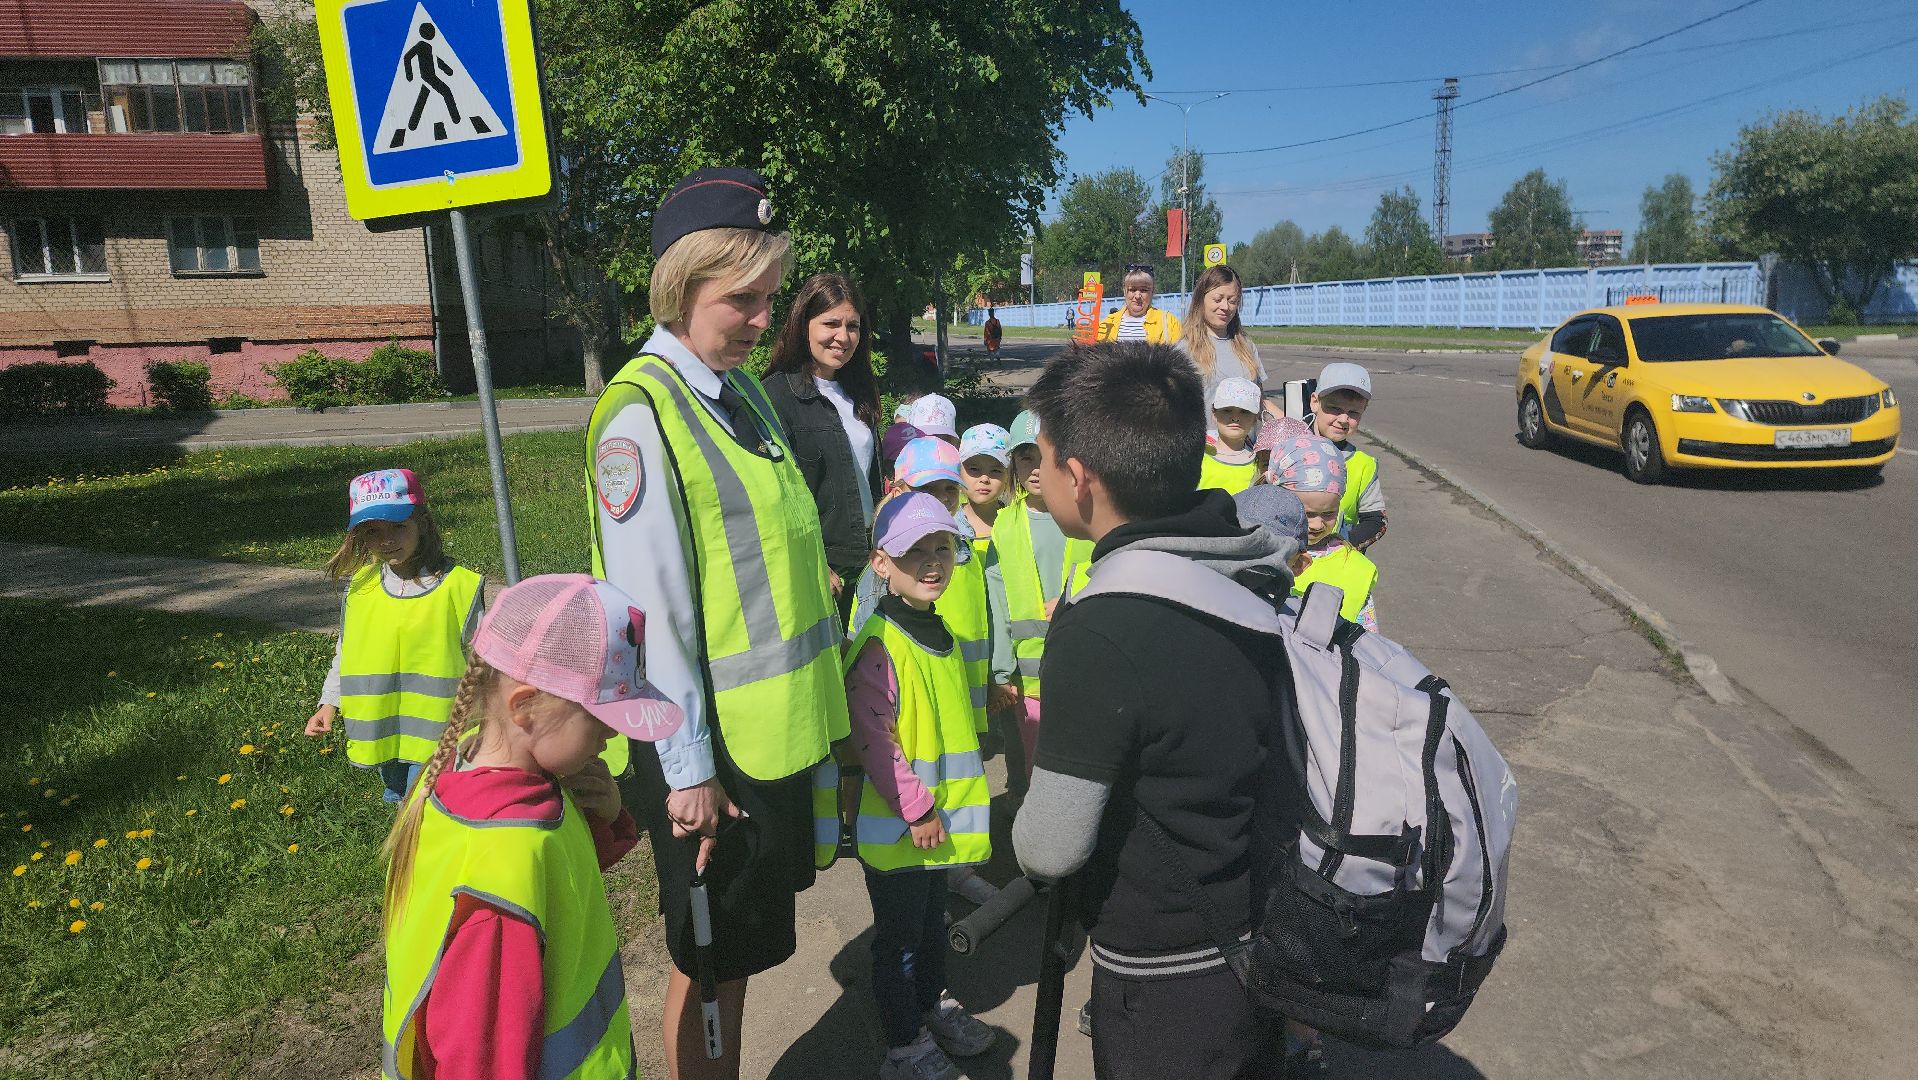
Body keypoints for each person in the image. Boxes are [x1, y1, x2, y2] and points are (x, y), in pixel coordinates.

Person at [585, 167, 849, 1080]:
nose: (759, 319)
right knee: (707, 958)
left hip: (762, 738)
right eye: (742, 298)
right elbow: (652, 609)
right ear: (681, 284)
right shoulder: (642, 412)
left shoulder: (741, 393)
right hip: (706, 753)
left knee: (736, 954)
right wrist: (686, 771)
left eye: (769, 298)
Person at [1010, 341, 1295, 1079]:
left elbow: (1049, 846)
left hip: (1166, 967)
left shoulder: (1102, 630)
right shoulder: (1246, 564)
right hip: (1261, 932)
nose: (1037, 478)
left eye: (1042, 461)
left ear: (1080, 478)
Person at [380, 574, 683, 1080]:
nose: (613, 733)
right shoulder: (501, 885)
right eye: (600, 716)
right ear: (525, 708)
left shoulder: (468, 764)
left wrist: (607, 818)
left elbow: (562, 884)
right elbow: (480, 1056)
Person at [845, 493, 999, 1079]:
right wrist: (916, 808)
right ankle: (903, 1047)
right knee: (901, 940)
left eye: (942, 548)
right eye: (915, 553)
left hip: (935, 830)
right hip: (904, 829)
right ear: (881, 564)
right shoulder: (882, 645)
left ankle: (932, 1006)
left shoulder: (941, 634)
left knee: (929, 925)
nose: (933, 563)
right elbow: (874, 738)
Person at [306, 468, 483, 804]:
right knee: (396, 796)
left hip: (439, 732)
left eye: (399, 526)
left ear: (423, 523)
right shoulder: (361, 587)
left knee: (425, 804)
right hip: (383, 728)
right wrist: (329, 702)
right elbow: (348, 651)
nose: (387, 540)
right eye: (374, 531)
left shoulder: (459, 587)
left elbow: (485, 659)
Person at [763, 272, 885, 626]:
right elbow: (774, 498)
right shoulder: (776, 396)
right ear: (804, 325)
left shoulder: (859, 391)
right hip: (822, 568)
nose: (843, 337)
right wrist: (812, 561)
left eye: (853, 326)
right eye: (830, 323)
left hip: (869, 559)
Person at [985, 410, 1093, 789]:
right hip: (1027, 683)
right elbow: (995, 603)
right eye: (1025, 457)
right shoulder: (1004, 525)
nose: (1035, 468)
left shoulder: (1085, 516)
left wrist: (1074, 593)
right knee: (1031, 770)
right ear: (1013, 462)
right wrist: (1000, 673)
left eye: (1046, 457)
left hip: (1084, 670)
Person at [1271, 431, 1379, 631]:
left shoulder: (1355, 567)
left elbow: (1367, 635)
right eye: (1308, 514)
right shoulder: (1260, 551)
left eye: (1329, 513)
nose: (1317, 525)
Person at [1178, 264, 1279, 426]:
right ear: (1200, 300)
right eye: (1218, 299)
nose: (1225, 307)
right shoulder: (1183, 349)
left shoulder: (1247, 346)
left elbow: (1259, 402)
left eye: (1232, 301)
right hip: (1205, 449)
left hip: (1245, 449)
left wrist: (1293, 428)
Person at [1308, 362, 1387, 552]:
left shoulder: (1363, 465)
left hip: (1339, 561)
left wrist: (1341, 546)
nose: (1343, 419)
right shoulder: (1288, 451)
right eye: (1334, 408)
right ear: (1315, 402)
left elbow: (1375, 519)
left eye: (1353, 413)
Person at [1198, 377, 1263, 495]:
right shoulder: (1197, 457)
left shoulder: (1260, 465)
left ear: (1255, 418)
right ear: (1214, 413)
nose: (1235, 417)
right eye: (1227, 410)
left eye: (1244, 411)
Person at [1096, 265, 1182, 344]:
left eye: (1144, 290)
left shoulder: (1169, 322)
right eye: (1132, 290)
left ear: (1152, 292)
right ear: (1125, 291)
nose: (1137, 296)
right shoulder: (1107, 324)